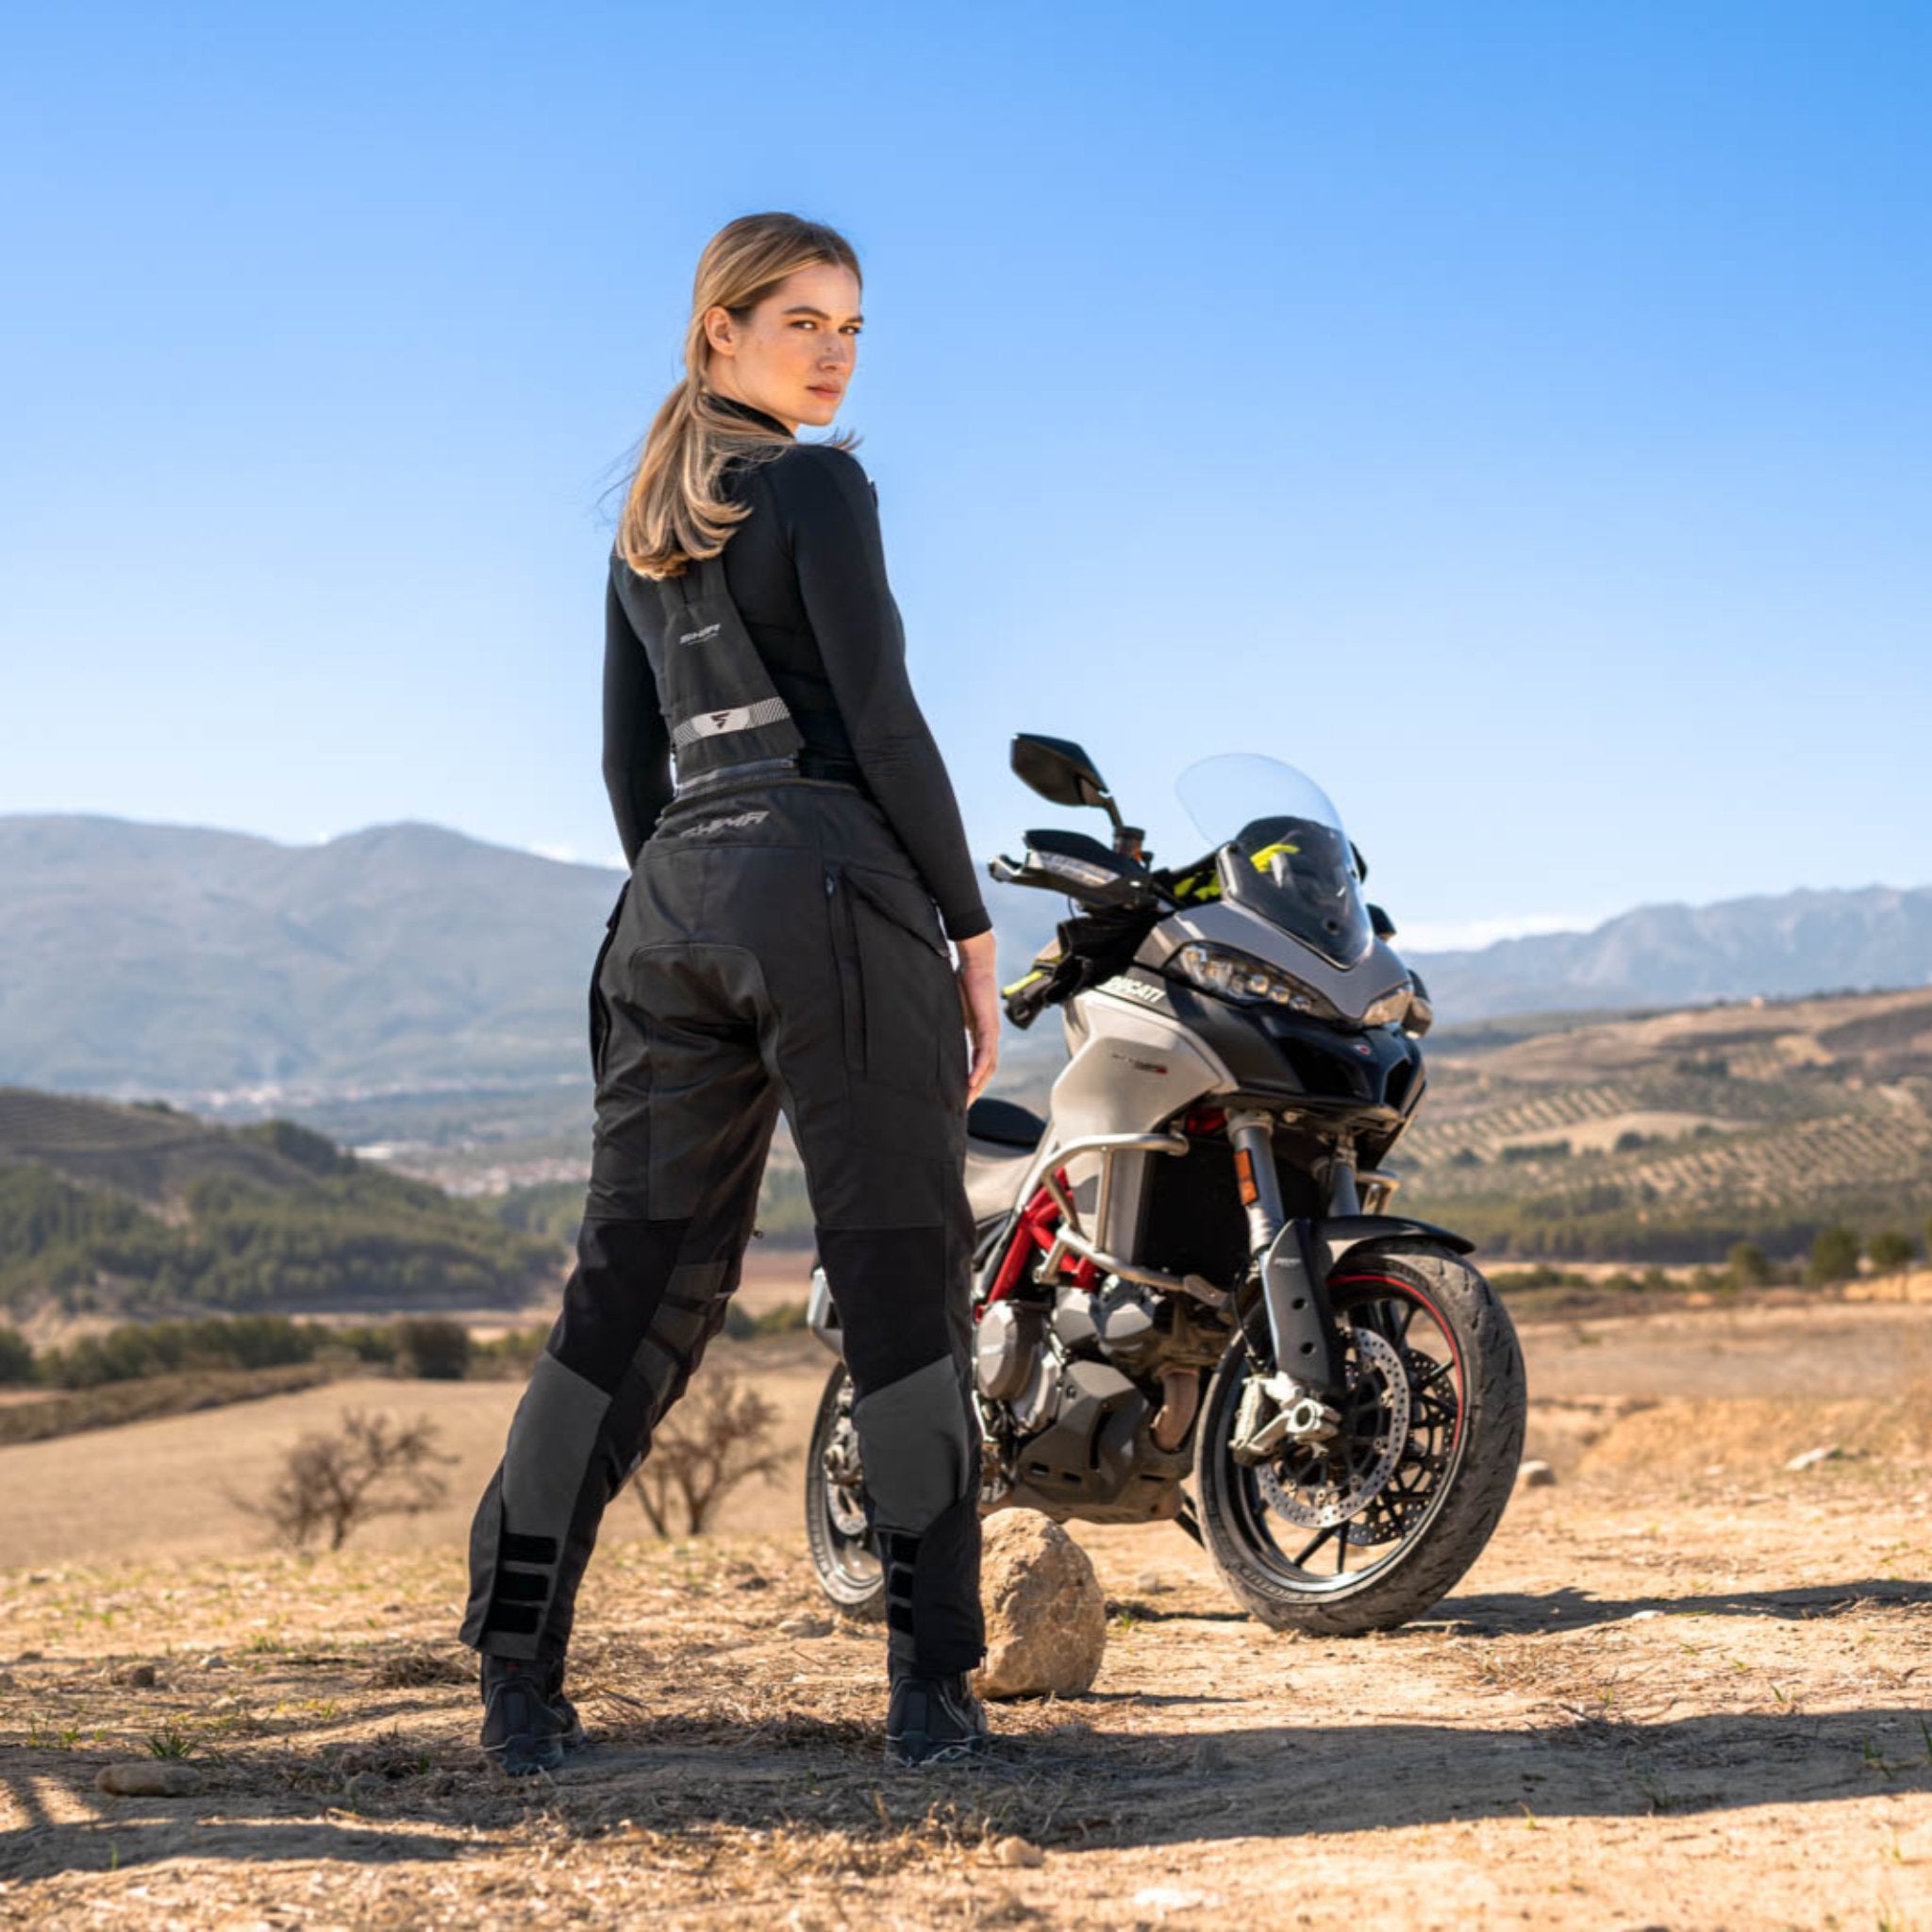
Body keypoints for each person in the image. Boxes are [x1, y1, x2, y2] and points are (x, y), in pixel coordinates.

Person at [457, 211, 1002, 1774]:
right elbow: (886, 726)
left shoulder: (645, 524)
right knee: (901, 1272)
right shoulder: (819, 487)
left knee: (626, 1288)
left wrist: (701, 895)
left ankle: (516, 1677)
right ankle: (930, 1698)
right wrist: (964, 930)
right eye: (801, 323)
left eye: (849, 327)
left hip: (669, 905)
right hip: (832, 890)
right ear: (721, 334)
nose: (833, 353)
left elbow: (629, 772)